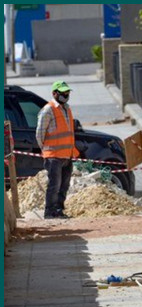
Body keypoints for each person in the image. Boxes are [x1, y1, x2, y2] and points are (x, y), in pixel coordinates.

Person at [36, 81, 80, 219]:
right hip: (53, 155)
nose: (65, 95)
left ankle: (59, 210)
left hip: (67, 155)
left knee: (64, 185)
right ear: (54, 93)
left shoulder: (67, 108)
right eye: (62, 93)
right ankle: (50, 212)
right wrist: (46, 151)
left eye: (67, 92)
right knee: (54, 185)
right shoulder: (48, 110)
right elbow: (40, 133)